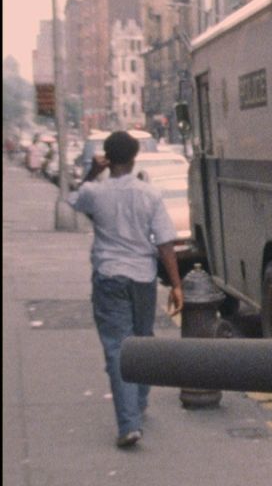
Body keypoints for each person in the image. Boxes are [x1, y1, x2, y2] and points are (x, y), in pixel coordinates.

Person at [68, 130, 184, 448]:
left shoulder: (96, 191)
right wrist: (176, 285)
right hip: (143, 278)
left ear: (107, 157)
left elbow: (73, 200)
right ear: (135, 158)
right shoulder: (150, 195)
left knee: (117, 348)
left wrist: (93, 170)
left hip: (109, 276)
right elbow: (165, 243)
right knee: (142, 342)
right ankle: (139, 401)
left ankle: (129, 422)